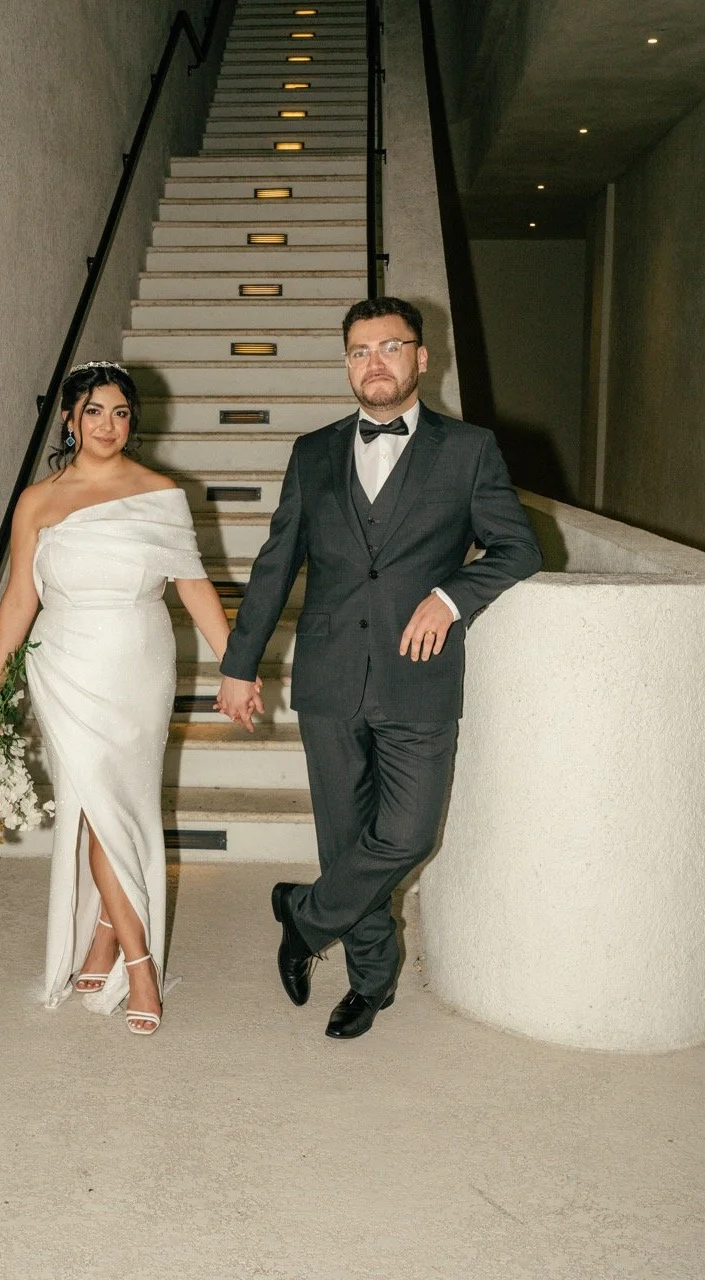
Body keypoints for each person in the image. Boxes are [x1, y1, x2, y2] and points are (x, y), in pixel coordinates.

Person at [216, 297, 543, 1040]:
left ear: (422, 359)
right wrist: (240, 665)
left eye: (391, 347)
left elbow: (518, 548)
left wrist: (452, 597)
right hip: (329, 677)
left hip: (419, 681)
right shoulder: (312, 452)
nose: (375, 363)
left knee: (407, 833)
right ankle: (371, 981)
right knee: (343, 837)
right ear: (347, 363)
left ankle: (302, 917)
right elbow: (275, 567)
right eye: (360, 350)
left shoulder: (469, 450)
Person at [0, 361, 230, 1035]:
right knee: (95, 802)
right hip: (62, 665)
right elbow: (20, 598)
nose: (108, 425)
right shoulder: (37, 500)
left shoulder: (160, 493)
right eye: (94, 412)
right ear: (69, 419)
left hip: (139, 661)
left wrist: (236, 662)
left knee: (120, 805)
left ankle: (109, 939)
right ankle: (139, 964)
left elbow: (194, 585)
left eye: (120, 413)